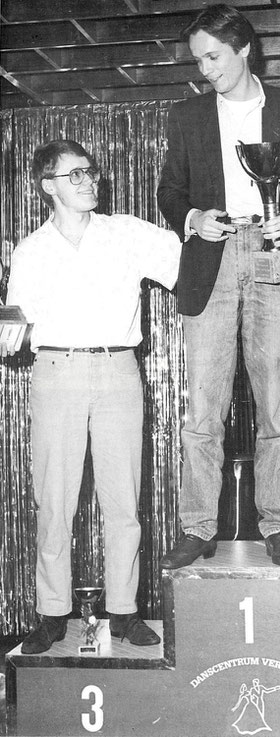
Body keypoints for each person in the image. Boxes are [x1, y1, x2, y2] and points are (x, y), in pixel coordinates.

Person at [157, 4, 280, 568]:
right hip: (212, 258)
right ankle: (197, 526)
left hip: (277, 253)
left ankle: (277, 524)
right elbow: (170, 192)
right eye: (199, 60)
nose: (205, 69)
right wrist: (191, 218)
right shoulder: (186, 117)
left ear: (244, 47)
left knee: (277, 404)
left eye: (213, 56)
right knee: (202, 407)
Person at [3, 139, 182, 654]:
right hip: (56, 371)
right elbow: (14, 331)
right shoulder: (29, 251)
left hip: (119, 370)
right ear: (47, 187)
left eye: (90, 172)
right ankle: (52, 613)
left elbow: (188, 256)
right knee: (53, 501)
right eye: (75, 175)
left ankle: (124, 612)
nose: (89, 182)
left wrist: (203, 222)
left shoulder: (127, 232)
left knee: (122, 498)